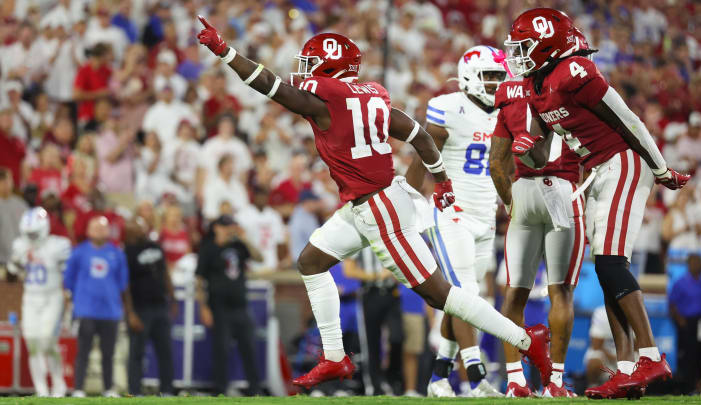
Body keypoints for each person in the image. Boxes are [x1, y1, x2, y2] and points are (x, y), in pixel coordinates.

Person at [197, 19, 552, 390]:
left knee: (440, 295)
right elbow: (418, 134)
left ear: (329, 70)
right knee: (311, 262)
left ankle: (527, 341)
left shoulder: (325, 102)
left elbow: (269, 86)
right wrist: (442, 180)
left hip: (380, 209)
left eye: (311, 64)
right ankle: (334, 357)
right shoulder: (372, 95)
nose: (303, 72)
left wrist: (225, 51)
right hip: (366, 204)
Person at [504, 8, 690, 399]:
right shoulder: (536, 87)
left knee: (609, 263)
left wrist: (660, 168)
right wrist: (525, 149)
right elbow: (540, 153)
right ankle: (626, 372)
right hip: (595, 173)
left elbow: (629, 120)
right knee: (608, 273)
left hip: (621, 162)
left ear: (547, 45)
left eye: (525, 46)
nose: (518, 55)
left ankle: (651, 356)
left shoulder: (574, 71)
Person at [489, 30, 588, 397]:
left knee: (515, 292)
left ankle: (515, 380)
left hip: (523, 190)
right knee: (560, 292)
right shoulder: (575, 85)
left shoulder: (509, 93)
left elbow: (497, 165)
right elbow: (592, 151)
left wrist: (513, 204)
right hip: (562, 189)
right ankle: (556, 383)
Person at [404, 45, 506, 398]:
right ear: (468, 75)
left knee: (461, 300)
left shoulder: (504, 112)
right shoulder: (450, 106)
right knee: (467, 295)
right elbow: (424, 152)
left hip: (485, 215)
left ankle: (439, 378)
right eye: (488, 76)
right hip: (451, 212)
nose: (495, 83)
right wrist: (406, 199)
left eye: (499, 76)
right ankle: (476, 378)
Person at [195, 215, 263, 396]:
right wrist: (203, 307)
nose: (228, 229)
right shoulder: (208, 249)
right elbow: (199, 280)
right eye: (225, 226)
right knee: (221, 350)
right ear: (216, 227)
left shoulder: (238, 246)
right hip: (219, 307)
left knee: (249, 347)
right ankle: (220, 390)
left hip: (240, 305)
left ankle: (254, 389)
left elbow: (259, 257)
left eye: (231, 226)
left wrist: (244, 238)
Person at [8, 208, 71, 397]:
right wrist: (16, 262)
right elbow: (13, 275)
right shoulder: (20, 245)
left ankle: (58, 386)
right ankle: (41, 389)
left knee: (47, 341)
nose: (31, 237)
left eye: (34, 232)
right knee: (33, 345)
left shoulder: (58, 245)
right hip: (31, 298)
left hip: (51, 297)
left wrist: (68, 298)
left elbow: (68, 274)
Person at [64, 216, 128, 398]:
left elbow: (123, 283)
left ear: (108, 231)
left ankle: (108, 388)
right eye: (95, 227)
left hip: (110, 312)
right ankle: (78, 389)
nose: (99, 231)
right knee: (83, 351)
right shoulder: (78, 253)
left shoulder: (117, 254)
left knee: (108, 353)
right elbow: (68, 280)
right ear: (88, 231)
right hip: (86, 310)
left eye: (103, 228)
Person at [123, 217, 175, 396]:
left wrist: (173, 298)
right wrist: (130, 313)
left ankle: (167, 391)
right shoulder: (127, 252)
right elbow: (125, 286)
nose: (138, 229)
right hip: (140, 308)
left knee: (165, 351)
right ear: (128, 232)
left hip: (160, 305)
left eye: (140, 226)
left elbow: (165, 272)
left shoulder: (155, 246)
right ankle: (134, 392)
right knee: (136, 353)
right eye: (134, 227)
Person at [343, 247, 403, 396]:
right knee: (371, 343)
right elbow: (349, 270)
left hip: (392, 294)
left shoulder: (389, 234)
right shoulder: (360, 237)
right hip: (370, 294)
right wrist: (376, 276)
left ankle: (391, 379)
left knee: (397, 337)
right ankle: (374, 386)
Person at [669, 254, 701, 394]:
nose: (698, 264)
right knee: (689, 355)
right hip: (688, 323)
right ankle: (688, 387)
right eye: (695, 262)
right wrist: (681, 322)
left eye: (699, 262)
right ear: (689, 264)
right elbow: (672, 304)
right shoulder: (681, 282)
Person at [0, 167, 28, 268]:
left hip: (20, 259)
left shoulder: (21, 205)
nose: (5, 184)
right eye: (2, 180)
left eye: (7, 180)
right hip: (1, 260)